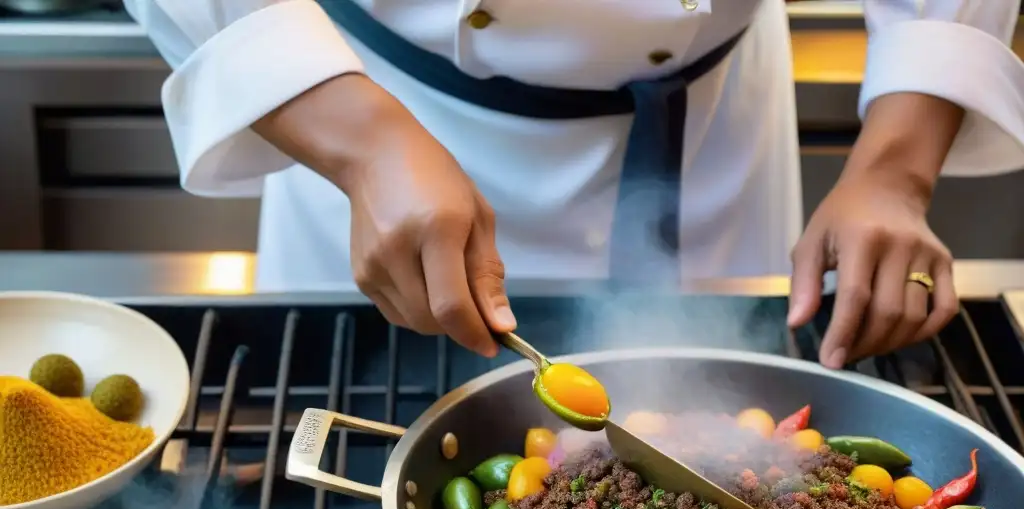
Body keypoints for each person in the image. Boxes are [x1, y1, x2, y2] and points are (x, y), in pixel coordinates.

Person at [123, 0, 1024, 367]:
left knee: (734, 398)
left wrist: (897, 168)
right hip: (373, 110)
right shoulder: (362, 133)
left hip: (710, 125)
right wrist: (361, 143)